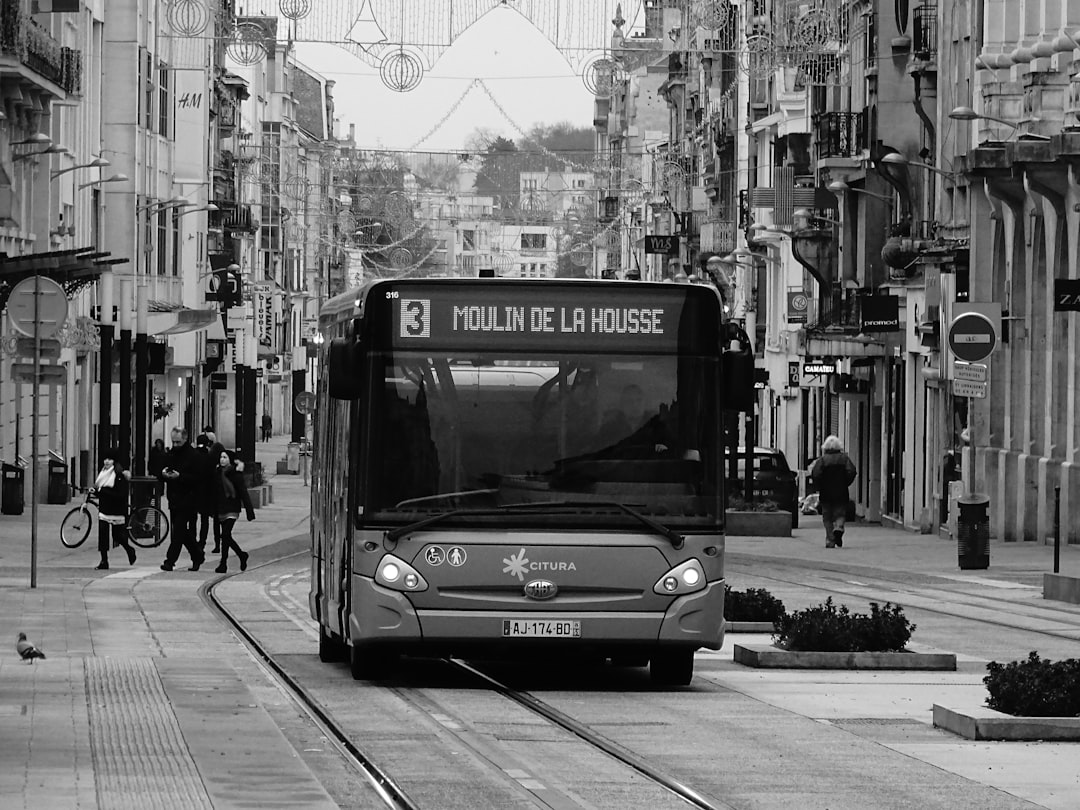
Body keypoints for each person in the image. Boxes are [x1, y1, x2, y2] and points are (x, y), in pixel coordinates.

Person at [158, 427, 205, 571]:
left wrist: (180, 477)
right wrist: (164, 474)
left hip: (188, 498)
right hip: (174, 498)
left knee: (178, 531)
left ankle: (170, 561)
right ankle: (197, 555)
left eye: (178, 442)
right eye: (173, 442)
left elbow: (198, 478)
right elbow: (162, 468)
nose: (176, 445)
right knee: (182, 532)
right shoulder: (171, 454)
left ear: (185, 439)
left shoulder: (193, 455)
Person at [211, 444, 254, 573]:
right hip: (220, 508)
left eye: (224, 457)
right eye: (221, 457)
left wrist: (249, 511)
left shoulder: (235, 474)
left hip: (232, 508)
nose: (222, 459)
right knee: (225, 536)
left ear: (229, 459)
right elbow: (213, 492)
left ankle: (223, 563)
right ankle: (241, 555)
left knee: (225, 534)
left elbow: (243, 492)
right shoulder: (217, 473)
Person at [809, 435, 857, 548]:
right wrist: (845, 482)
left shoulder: (822, 460)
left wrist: (819, 485)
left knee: (827, 516)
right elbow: (852, 471)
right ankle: (839, 528)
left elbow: (815, 474)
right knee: (840, 513)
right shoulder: (844, 459)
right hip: (841, 491)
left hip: (826, 492)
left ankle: (830, 540)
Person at [92, 448, 137, 570]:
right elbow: (101, 490)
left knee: (118, 536)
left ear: (114, 461)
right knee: (103, 535)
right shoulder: (103, 473)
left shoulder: (118, 474)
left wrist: (103, 491)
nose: (106, 462)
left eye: (110, 459)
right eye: (105, 459)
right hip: (104, 509)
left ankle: (130, 550)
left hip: (116, 510)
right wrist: (96, 492)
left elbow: (120, 494)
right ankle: (104, 561)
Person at [194, 434, 221, 553]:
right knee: (205, 520)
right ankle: (202, 542)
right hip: (207, 492)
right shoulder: (210, 457)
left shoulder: (193, 455)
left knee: (192, 519)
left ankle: (193, 541)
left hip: (193, 491)